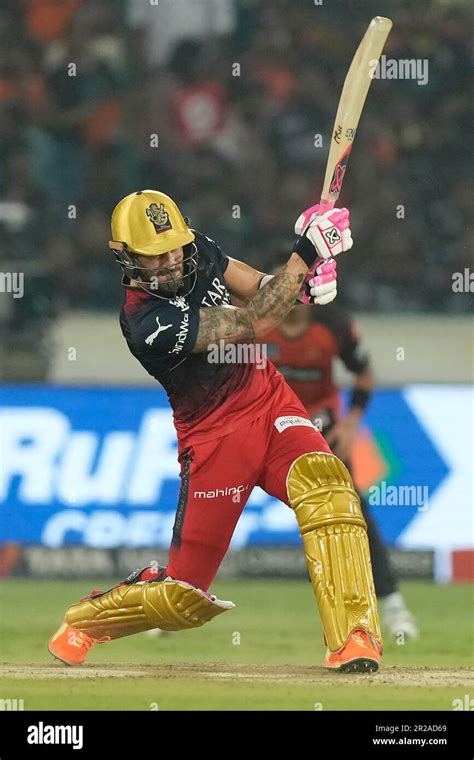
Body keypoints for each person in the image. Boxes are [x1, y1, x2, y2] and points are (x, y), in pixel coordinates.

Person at [48, 191, 383, 673]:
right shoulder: (147, 323)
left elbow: (265, 292)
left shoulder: (192, 249)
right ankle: (85, 620)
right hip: (214, 439)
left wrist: (306, 283)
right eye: (154, 255)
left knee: (329, 488)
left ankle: (355, 638)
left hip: (270, 403)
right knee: (184, 603)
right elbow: (254, 320)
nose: (169, 260)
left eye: (173, 248)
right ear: (125, 257)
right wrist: (305, 253)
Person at [263, 299, 419, 639]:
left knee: (356, 514)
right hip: (266, 428)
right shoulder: (255, 322)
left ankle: (394, 609)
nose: (287, 294)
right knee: (219, 499)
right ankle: (176, 604)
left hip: (320, 431)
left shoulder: (333, 325)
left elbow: (364, 374)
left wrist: (350, 425)